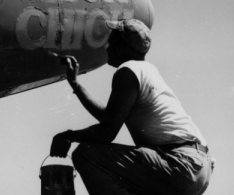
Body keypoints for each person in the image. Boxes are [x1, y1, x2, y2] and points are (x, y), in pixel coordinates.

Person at [50, 19, 213, 195]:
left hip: (179, 164)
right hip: (197, 167)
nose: (107, 47)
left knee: (86, 154)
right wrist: (75, 85)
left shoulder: (127, 71)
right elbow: (108, 117)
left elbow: (106, 132)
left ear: (121, 46)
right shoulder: (145, 69)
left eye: (111, 41)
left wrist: (67, 137)